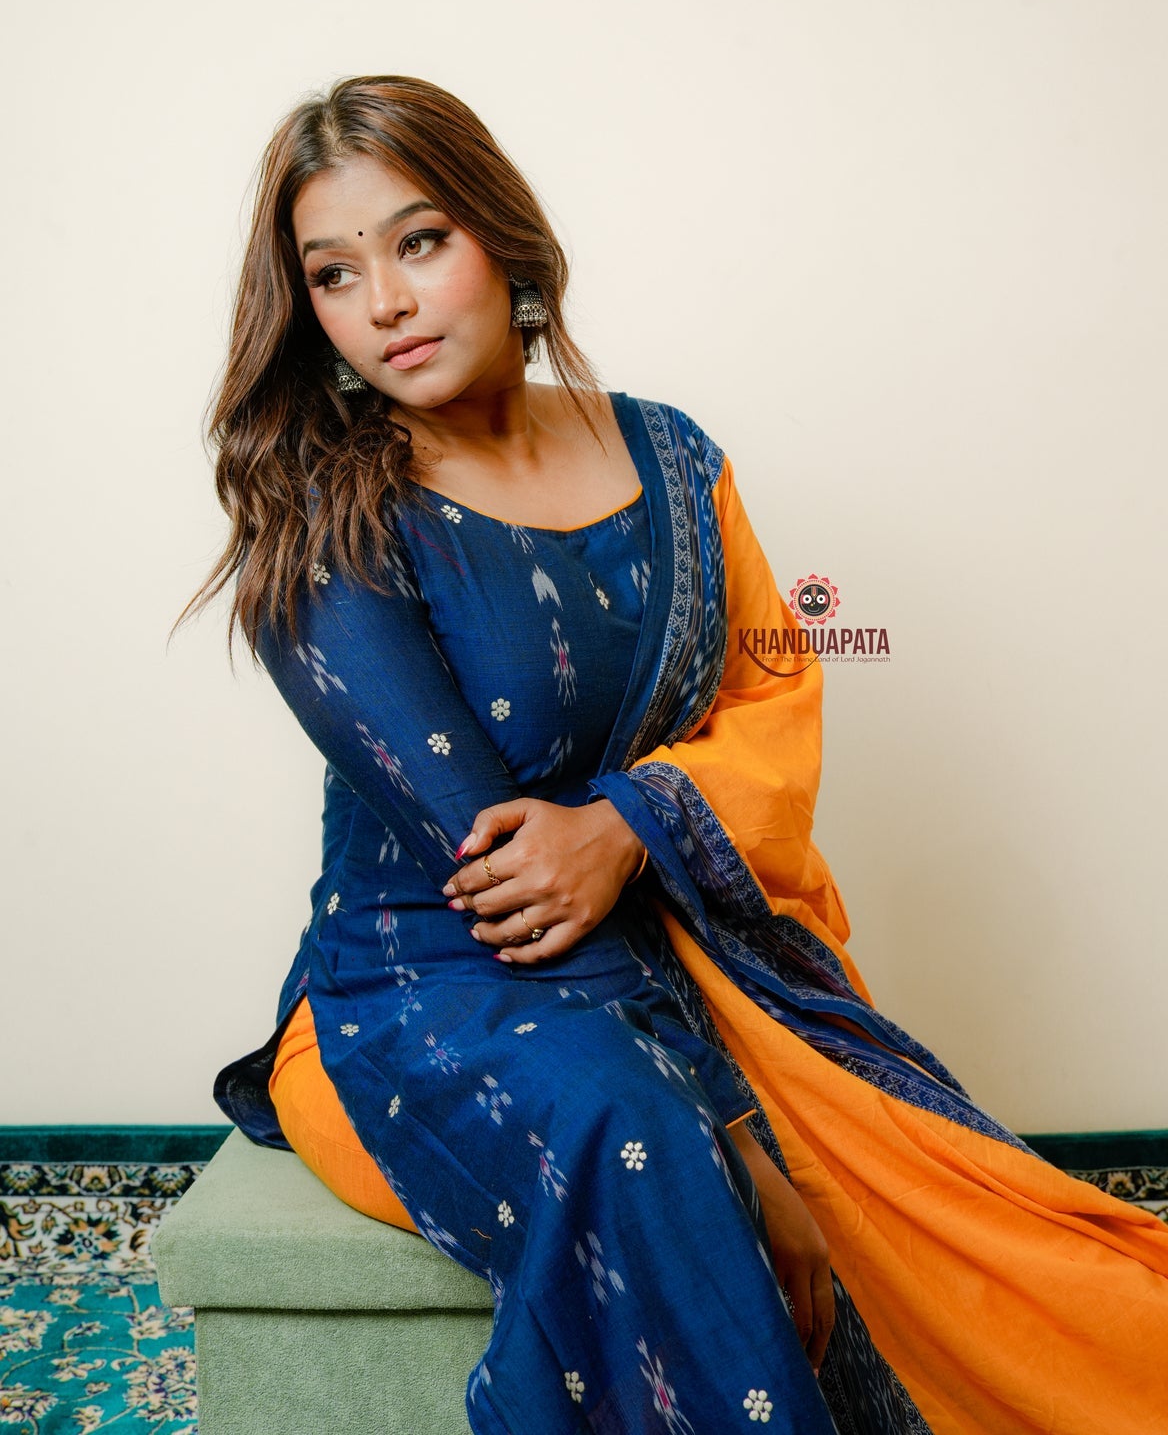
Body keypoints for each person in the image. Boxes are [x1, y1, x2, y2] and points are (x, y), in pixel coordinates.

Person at [191, 75, 1168, 1435]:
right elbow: (498, 873)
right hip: (431, 984)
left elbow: (771, 697)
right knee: (648, 1145)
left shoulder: (672, 458)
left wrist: (630, 824)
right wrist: (737, 1141)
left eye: (419, 242)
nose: (387, 303)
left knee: (988, 1239)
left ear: (504, 240)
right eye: (335, 273)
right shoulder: (328, 511)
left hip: (689, 947)